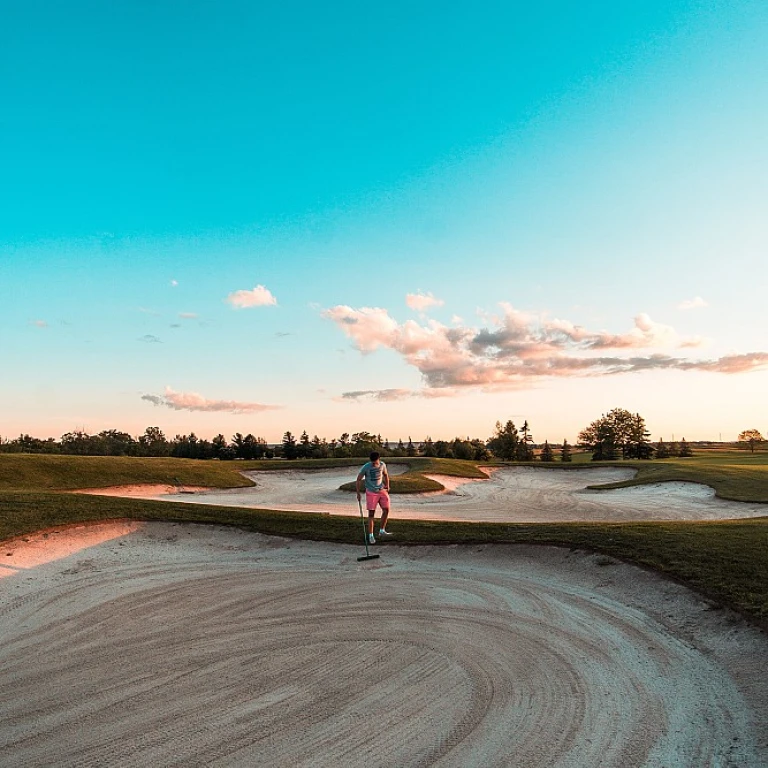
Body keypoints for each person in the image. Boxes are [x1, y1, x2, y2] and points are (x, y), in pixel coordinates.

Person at [356, 451, 392, 544]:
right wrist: (358, 493)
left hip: (382, 490)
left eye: (375, 461)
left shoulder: (382, 465)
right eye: (372, 461)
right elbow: (358, 479)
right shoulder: (366, 467)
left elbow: (385, 475)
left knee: (386, 509)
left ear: (378, 459)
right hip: (371, 492)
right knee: (371, 514)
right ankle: (371, 535)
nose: (373, 463)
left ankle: (382, 530)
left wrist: (387, 485)